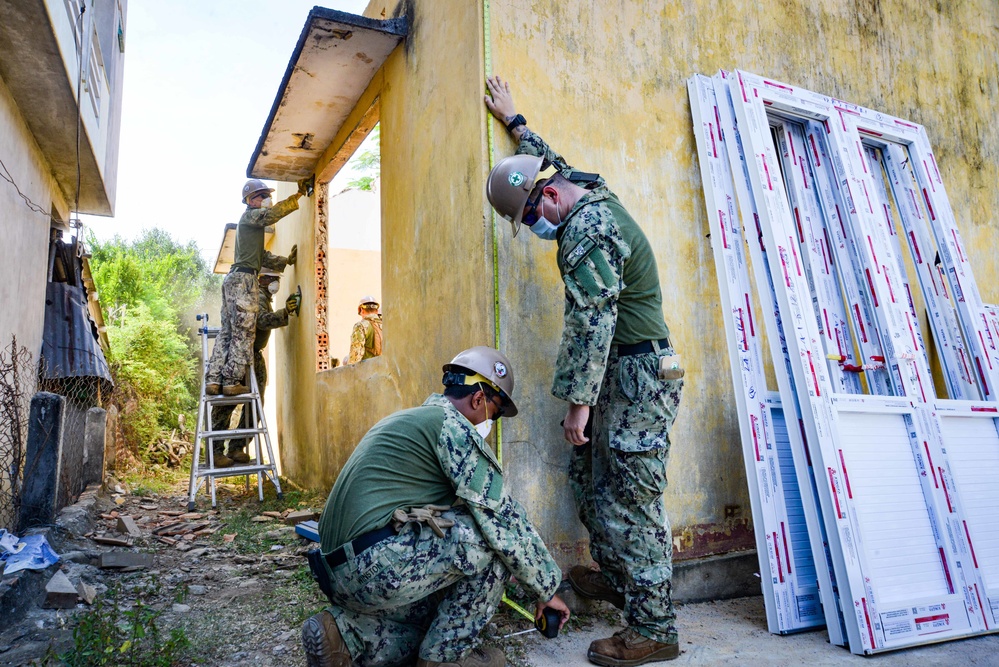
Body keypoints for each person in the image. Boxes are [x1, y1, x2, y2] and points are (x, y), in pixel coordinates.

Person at [484, 75, 684, 666]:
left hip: (637, 376)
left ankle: (654, 628)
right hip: (622, 376)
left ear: (546, 201)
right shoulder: (582, 190)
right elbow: (548, 161)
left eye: (531, 219)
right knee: (592, 487)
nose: (538, 232)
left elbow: (591, 323)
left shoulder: (584, 233)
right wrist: (515, 121)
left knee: (632, 500)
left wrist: (579, 405)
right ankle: (621, 579)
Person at [301, 346, 570, 667]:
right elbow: (503, 521)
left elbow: (416, 516)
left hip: (340, 573)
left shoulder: (412, 420)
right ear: (479, 400)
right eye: (496, 413)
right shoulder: (451, 427)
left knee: (435, 616)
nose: (493, 423)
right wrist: (546, 588)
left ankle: (348, 637)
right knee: (494, 542)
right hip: (371, 568)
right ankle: (444, 660)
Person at [205, 178, 307, 396]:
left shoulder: (249, 225)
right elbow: (271, 215)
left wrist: (285, 261)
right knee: (244, 331)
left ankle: (214, 380)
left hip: (234, 278)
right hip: (243, 280)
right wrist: (297, 196)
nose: (266, 199)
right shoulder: (252, 216)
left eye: (266, 195)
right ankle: (232, 380)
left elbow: (260, 256)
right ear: (250, 200)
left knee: (228, 331)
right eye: (261, 196)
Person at [210, 260, 302, 468]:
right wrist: (284, 313)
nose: (275, 283)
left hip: (253, 356)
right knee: (227, 404)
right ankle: (216, 452)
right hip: (241, 355)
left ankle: (236, 447)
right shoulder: (256, 296)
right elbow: (260, 321)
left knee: (255, 403)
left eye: (276, 279)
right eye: (272, 279)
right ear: (261, 279)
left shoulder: (263, 297)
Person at [347, 296, 383, 364]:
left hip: (367, 371)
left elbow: (356, 353)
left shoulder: (361, 326)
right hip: (382, 369)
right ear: (377, 311)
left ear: (361, 310)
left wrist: (349, 371)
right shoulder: (385, 326)